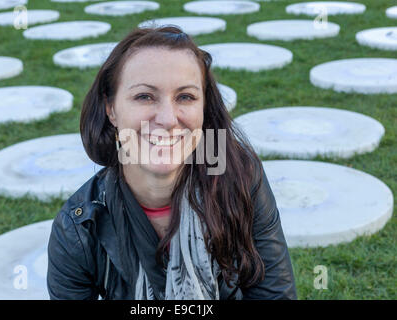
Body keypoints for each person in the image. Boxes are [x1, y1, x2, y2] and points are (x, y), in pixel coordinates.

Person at [47, 26, 297, 300]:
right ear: (111, 110)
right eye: (144, 96)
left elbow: (274, 294)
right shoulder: (78, 229)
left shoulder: (241, 178)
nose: (167, 119)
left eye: (185, 97)